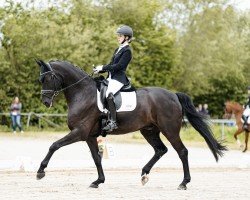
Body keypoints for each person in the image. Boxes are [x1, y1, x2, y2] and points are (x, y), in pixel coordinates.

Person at [93, 25, 133, 132]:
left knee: (109, 93)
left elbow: (119, 66)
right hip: (111, 78)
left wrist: (103, 67)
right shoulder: (118, 49)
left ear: (127, 38)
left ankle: (113, 122)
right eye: (118, 35)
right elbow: (111, 64)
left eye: (120, 36)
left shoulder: (127, 51)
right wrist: (100, 70)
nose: (118, 37)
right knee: (100, 89)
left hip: (119, 79)